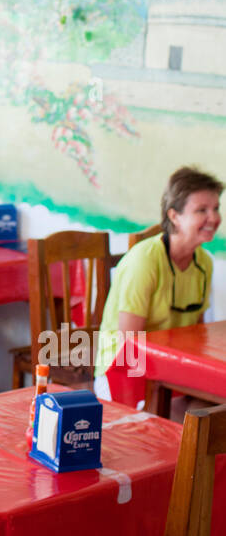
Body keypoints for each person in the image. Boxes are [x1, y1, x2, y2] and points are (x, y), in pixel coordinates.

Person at [94, 166, 223, 399]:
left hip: (171, 371)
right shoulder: (144, 261)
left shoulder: (204, 263)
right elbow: (128, 344)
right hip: (123, 371)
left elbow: (197, 333)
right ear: (174, 216)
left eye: (216, 208)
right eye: (201, 210)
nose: (213, 218)